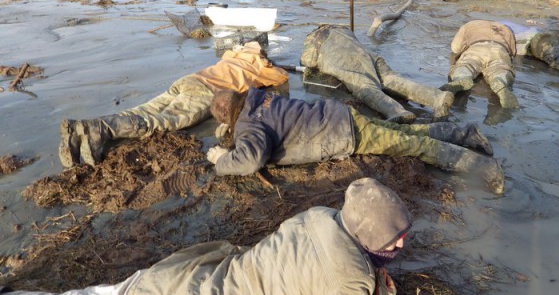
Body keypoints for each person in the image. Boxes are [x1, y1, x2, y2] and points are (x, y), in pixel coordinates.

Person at [0, 177, 411, 295]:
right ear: (368, 238)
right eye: (394, 240)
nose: (401, 247)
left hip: (180, 283)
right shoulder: (349, 279)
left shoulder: (320, 216)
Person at [207, 88, 505, 194]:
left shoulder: (249, 124)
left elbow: (250, 159)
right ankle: (467, 134)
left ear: (225, 115)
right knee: (408, 134)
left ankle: (484, 168)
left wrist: (221, 161)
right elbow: (259, 126)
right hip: (341, 114)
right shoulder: (258, 98)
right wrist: (232, 132)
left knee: (415, 146)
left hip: (344, 133)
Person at [58, 41, 289, 168]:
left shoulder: (231, 56)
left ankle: (85, 128)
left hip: (189, 80)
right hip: (206, 92)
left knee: (144, 110)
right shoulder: (261, 67)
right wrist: (269, 64)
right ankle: (104, 129)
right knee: (161, 121)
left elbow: (233, 51)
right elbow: (281, 79)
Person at [300, 24, 455, 123]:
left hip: (343, 59)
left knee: (364, 86)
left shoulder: (313, 38)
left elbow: (309, 61)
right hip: (365, 53)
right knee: (391, 79)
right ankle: (437, 97)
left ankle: (396, 111)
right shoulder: (341, 29)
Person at [439, 20, 519, 109]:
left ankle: (462, 77)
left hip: (477, 47)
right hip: (499, 50)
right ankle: (500, 81)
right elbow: (513, 52)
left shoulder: (469, 25)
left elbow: (455, 48)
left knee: (466, 65)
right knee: (500, 69)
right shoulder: (505, 29)